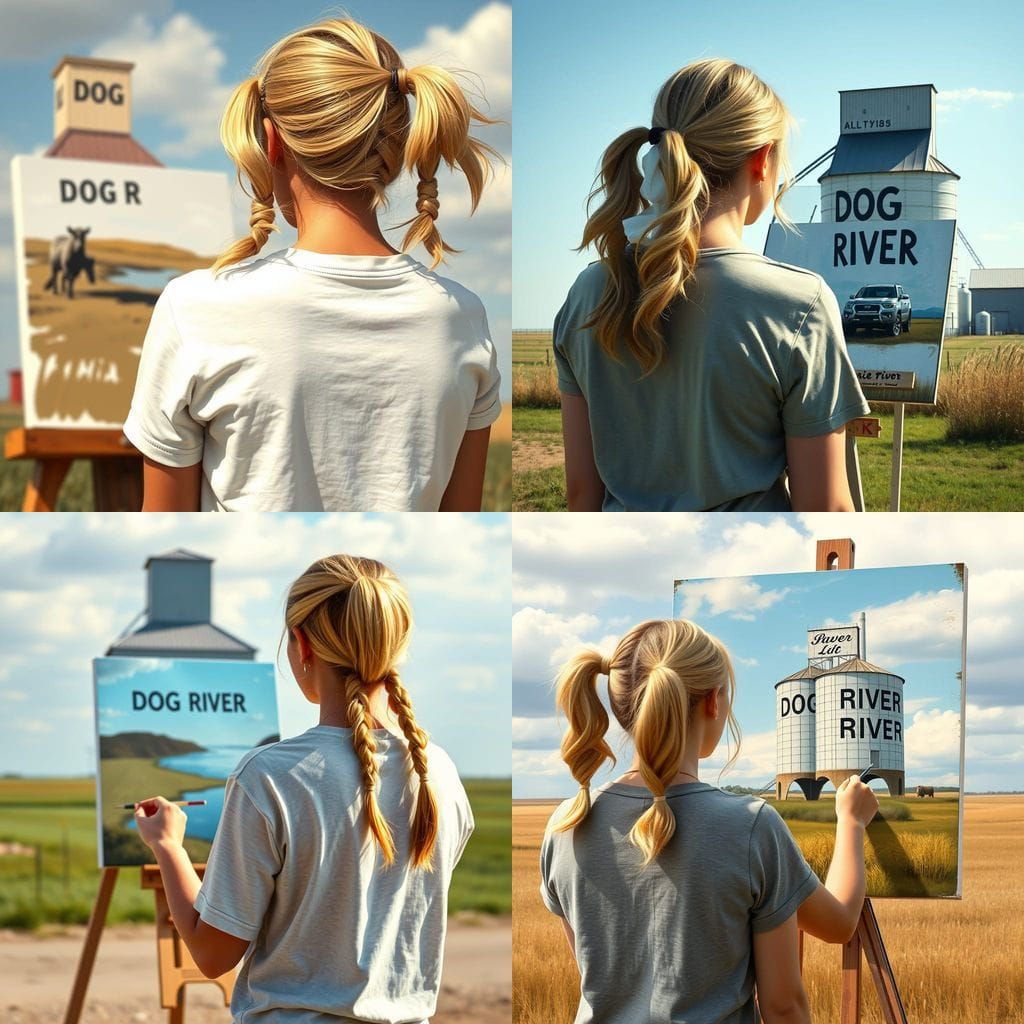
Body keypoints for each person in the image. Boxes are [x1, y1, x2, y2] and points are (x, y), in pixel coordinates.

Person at [124, 17, 502, 512]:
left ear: (271, 141)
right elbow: (461, 522)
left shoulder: (193, 308)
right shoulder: (462, 318)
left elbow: (166, 527)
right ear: (398, 143)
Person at [132, 554, 475, 1023]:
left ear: (302, 644)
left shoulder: (268, 776)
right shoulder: (440, 771)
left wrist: (167, 845)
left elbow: (213, 953)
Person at [553, 59, 870, 512]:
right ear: (761, 159)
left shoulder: (588, 292)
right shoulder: (798, 304)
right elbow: (824, 509)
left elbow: (582, 494)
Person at [540, 618, 879, 1024]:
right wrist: (852, 822)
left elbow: (600, 979)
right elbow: (817, 955)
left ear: (621, 707)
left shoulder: (566, 824)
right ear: (713, 701)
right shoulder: (751, 827)